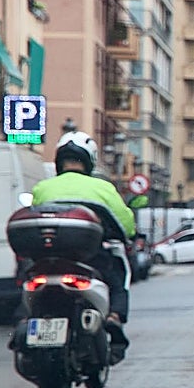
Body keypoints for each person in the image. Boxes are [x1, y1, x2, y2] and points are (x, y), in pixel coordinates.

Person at [29, 131, 136, 363]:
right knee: (117, 282)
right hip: (90, 259)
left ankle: (23, 323)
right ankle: (115, 318)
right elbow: (125, 225)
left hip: (46, 261)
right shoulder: (102, 189)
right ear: (89, 160)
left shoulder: (43, 188)